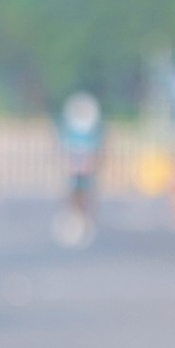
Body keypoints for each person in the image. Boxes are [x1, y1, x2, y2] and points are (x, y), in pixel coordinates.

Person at [57, 91, 105, 246]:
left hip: (86, 172)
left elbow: (95, 152)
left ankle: (86, 221)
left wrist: (90, 164)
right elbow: (66, 150)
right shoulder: (71, 132)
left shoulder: (92, 133)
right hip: (74, 171)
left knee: (86, 196)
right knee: (73, 195)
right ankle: (74, 220)